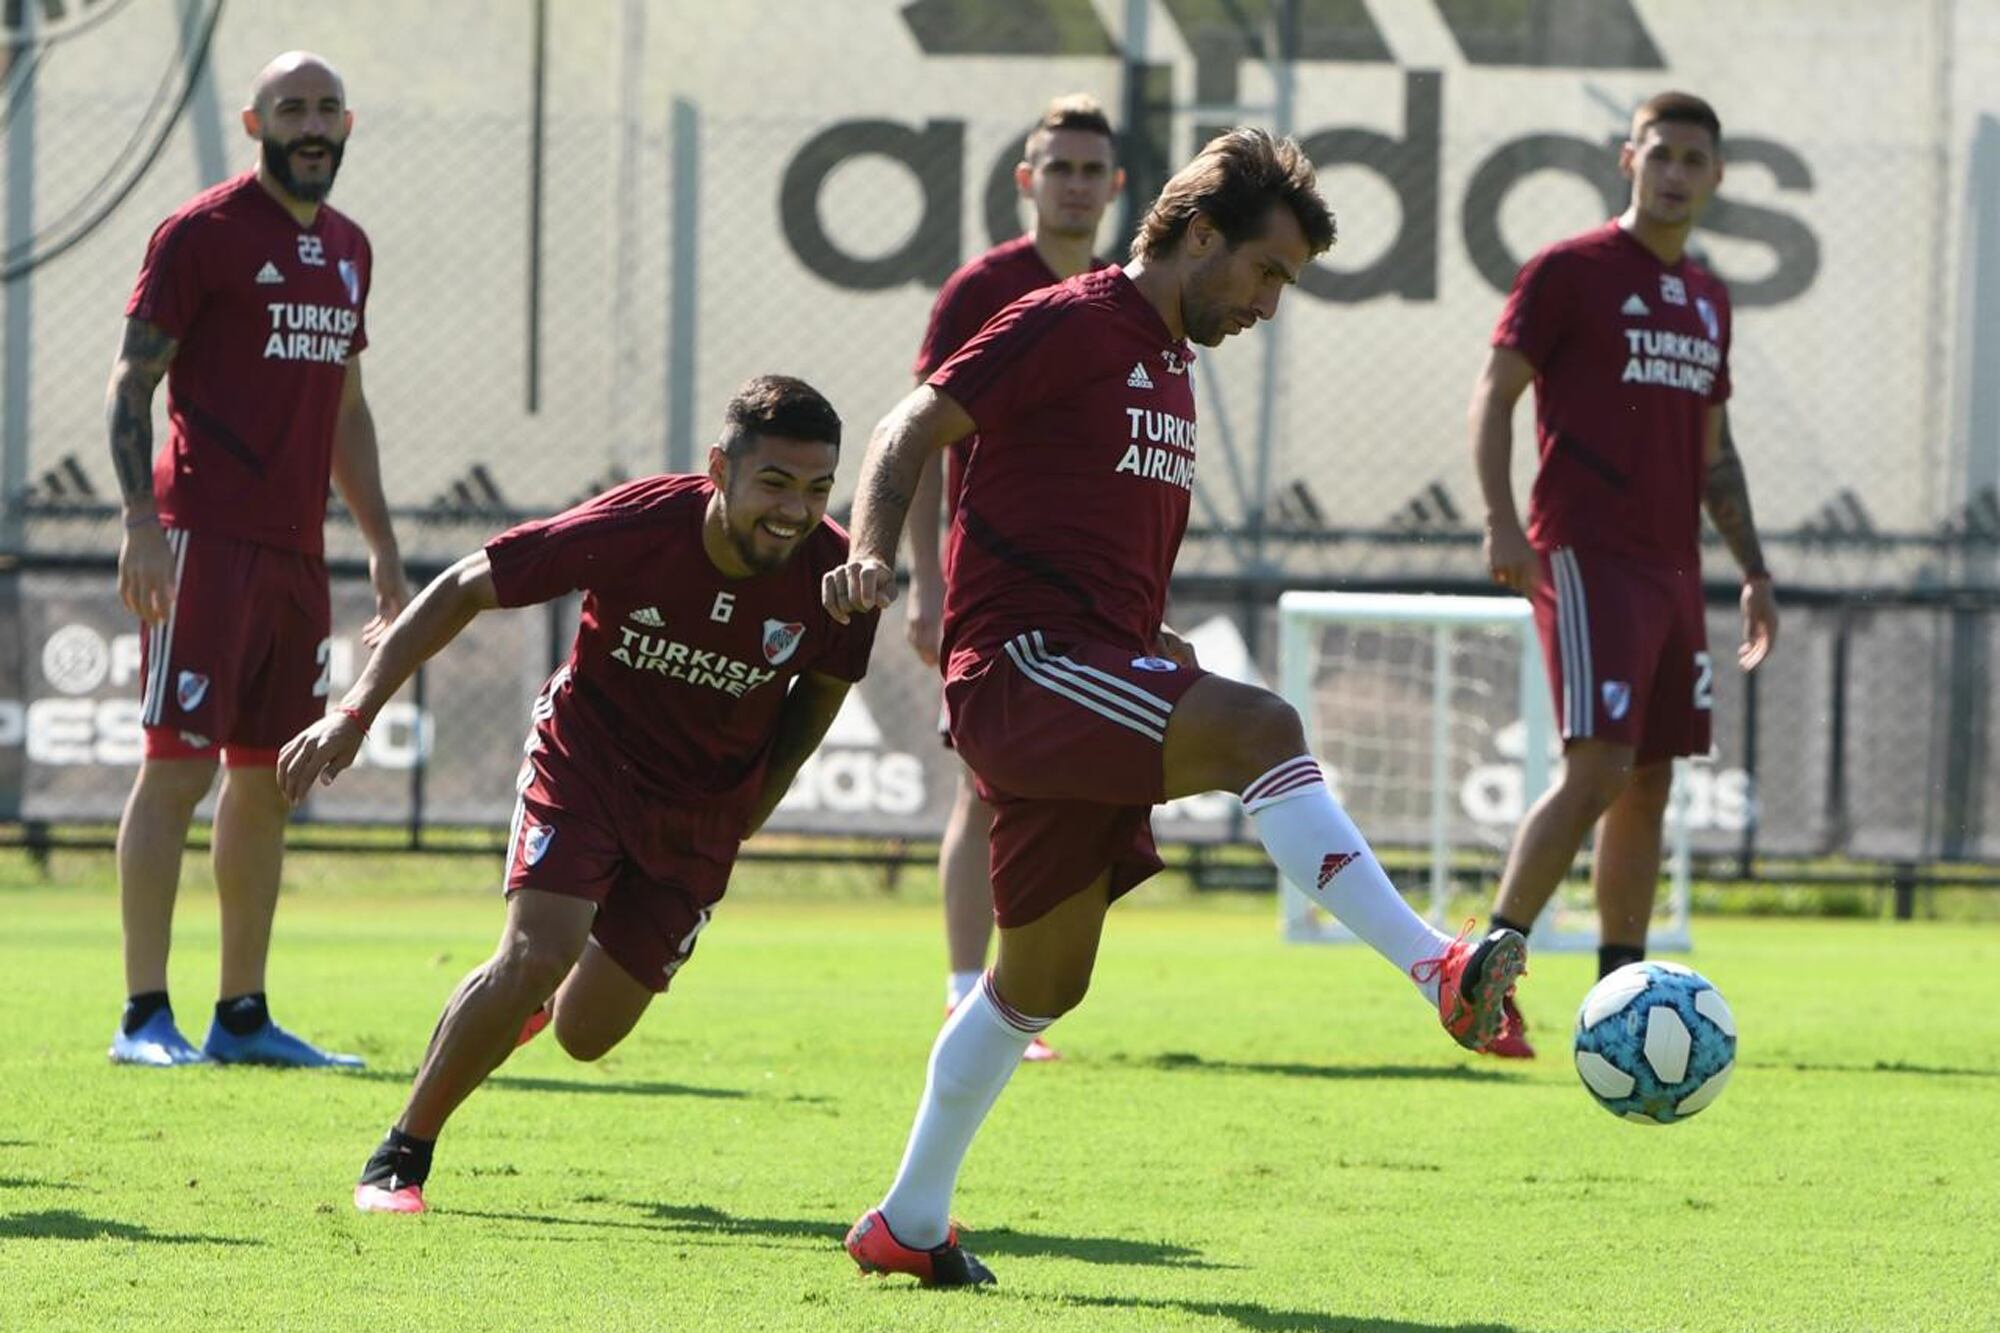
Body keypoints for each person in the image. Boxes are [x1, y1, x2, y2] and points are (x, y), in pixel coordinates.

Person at [822, 128, 1528, 1286]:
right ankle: (1435, 969)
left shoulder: (1163, 362)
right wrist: (871, 556)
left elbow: (1069, 515)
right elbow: (911, 423)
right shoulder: (1075, 318)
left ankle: (909, 1217)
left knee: (1041, 984)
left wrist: (1142, 635)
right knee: (1263, 730)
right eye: (1263, 272)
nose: (1266, 301)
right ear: (1198, 235)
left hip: (1080, 666)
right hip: (1023, 667)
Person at [276, 376, 877, 1215]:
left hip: (700, 810)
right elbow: (463, 587)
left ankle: (525, 1004)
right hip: (588, 762)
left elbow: (819, 696)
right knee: (535, 951)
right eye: (775, 483)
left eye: (818, 488)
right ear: (719, 469)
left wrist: (746, 815)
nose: (795, 510)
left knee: (586, 1034)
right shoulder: (638, 526)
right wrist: (354, 711)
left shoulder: (835, 579)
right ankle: (401, 1153)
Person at [105, 51, 408, 1069]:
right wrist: (141, 522)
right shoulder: (201, 234)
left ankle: (242, 1014)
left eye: (327, 107)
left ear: (348, 123)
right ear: (255, 123)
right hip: (202, 538)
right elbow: (129, 387)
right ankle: (144, 1013)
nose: (311, 124)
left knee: (268, 781)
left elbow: (349, 414)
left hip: (297, 553)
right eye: (292, 108)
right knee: (176, 770)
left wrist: (380, 546)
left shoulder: (352, 248)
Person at [1470, 92, 1778, 1059]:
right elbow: (1496, 393)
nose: (1677, 171)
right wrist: (1500, 518)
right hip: (1588, 548)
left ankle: (1619, 1000)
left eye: (1695, 157)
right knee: (1598, 765)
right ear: (1628, 160)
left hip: (1673, 565)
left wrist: (1755, 569)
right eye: (1662, 153)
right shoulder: (1570, 271)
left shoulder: (1709, 296)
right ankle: (1487, 976)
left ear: (1717, 175)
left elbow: (1715, 454)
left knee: (1649, 781)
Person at [904, 93, 1125, 1061]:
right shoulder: (981, 288)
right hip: (990, 589)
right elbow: (911, 437)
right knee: (982, 789)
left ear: (1117, 188)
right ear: (1026, 180)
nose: (1075, 186)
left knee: (1051, 792)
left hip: (1085, 597)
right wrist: (924, 583)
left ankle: (1010, 994)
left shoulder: (1122, 296)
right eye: (1059, 168)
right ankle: (969, 990)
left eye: (1092, 171)